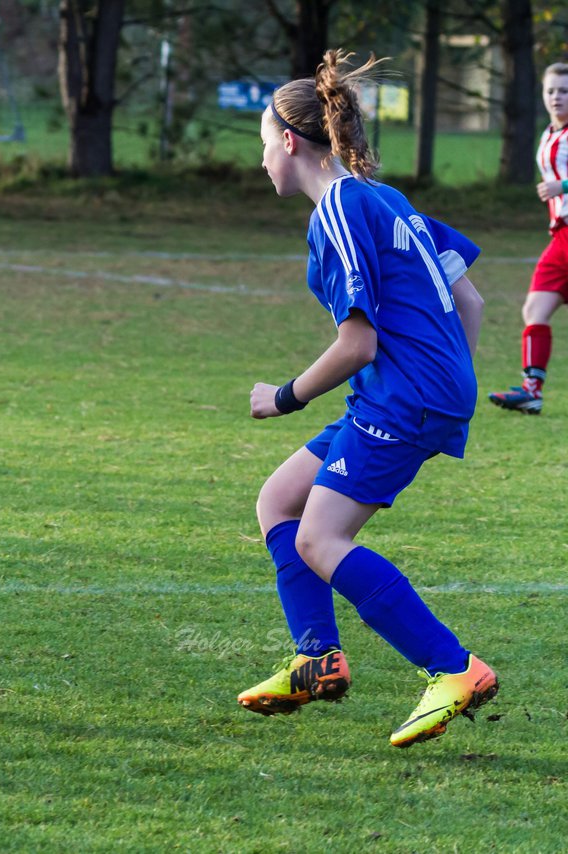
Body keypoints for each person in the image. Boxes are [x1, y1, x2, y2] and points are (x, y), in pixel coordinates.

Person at [238, 50, 498, 748]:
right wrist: (446, 379)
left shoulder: (341, 211)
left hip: (399, 395)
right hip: (412, 392)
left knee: (321, 538)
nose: (262, 160)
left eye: (264, 144)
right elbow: (467, 297)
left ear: (290, 142)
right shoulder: (384, 197)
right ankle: (316, 658)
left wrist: (285, 396)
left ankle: (454, 669)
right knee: (280, 501)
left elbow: (358, 343)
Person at [488, 62, 568, 414]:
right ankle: (531, 391)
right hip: (561, 237)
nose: (556, 97)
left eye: (564, 91)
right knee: (535, 308)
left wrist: (562, 186)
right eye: (551, 90)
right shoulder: (549, 134)